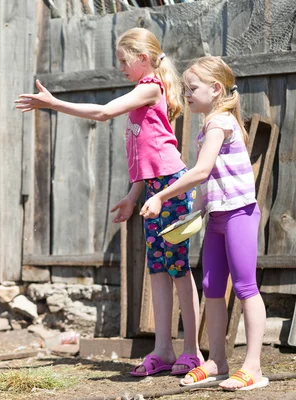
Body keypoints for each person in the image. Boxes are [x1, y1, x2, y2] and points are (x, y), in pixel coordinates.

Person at [15, 27, 203, 376]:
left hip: (172, 189)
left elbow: (103, 113)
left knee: (178, 269)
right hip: (154, 189)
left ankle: (192, 351)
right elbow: (147, 155)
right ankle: (163, 350)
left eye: (123, 60)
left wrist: (54, 103)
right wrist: (134, 196)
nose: (119, 66)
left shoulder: (149, 88)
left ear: (142, 58)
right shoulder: (143, 89)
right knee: (159, 270)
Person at [140, 56, 269, 391]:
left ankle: (252, 367)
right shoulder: (208, 125)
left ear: (215, 89)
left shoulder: (220, 122)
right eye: (184, 88)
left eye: (192, 88)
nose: (186, 94)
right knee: (211, 287)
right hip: (216, 218)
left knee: (245, 287)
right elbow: (209, 181)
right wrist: (193, 213)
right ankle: (218, 362)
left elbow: (199, 171)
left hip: (239, 214)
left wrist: (161, 197)